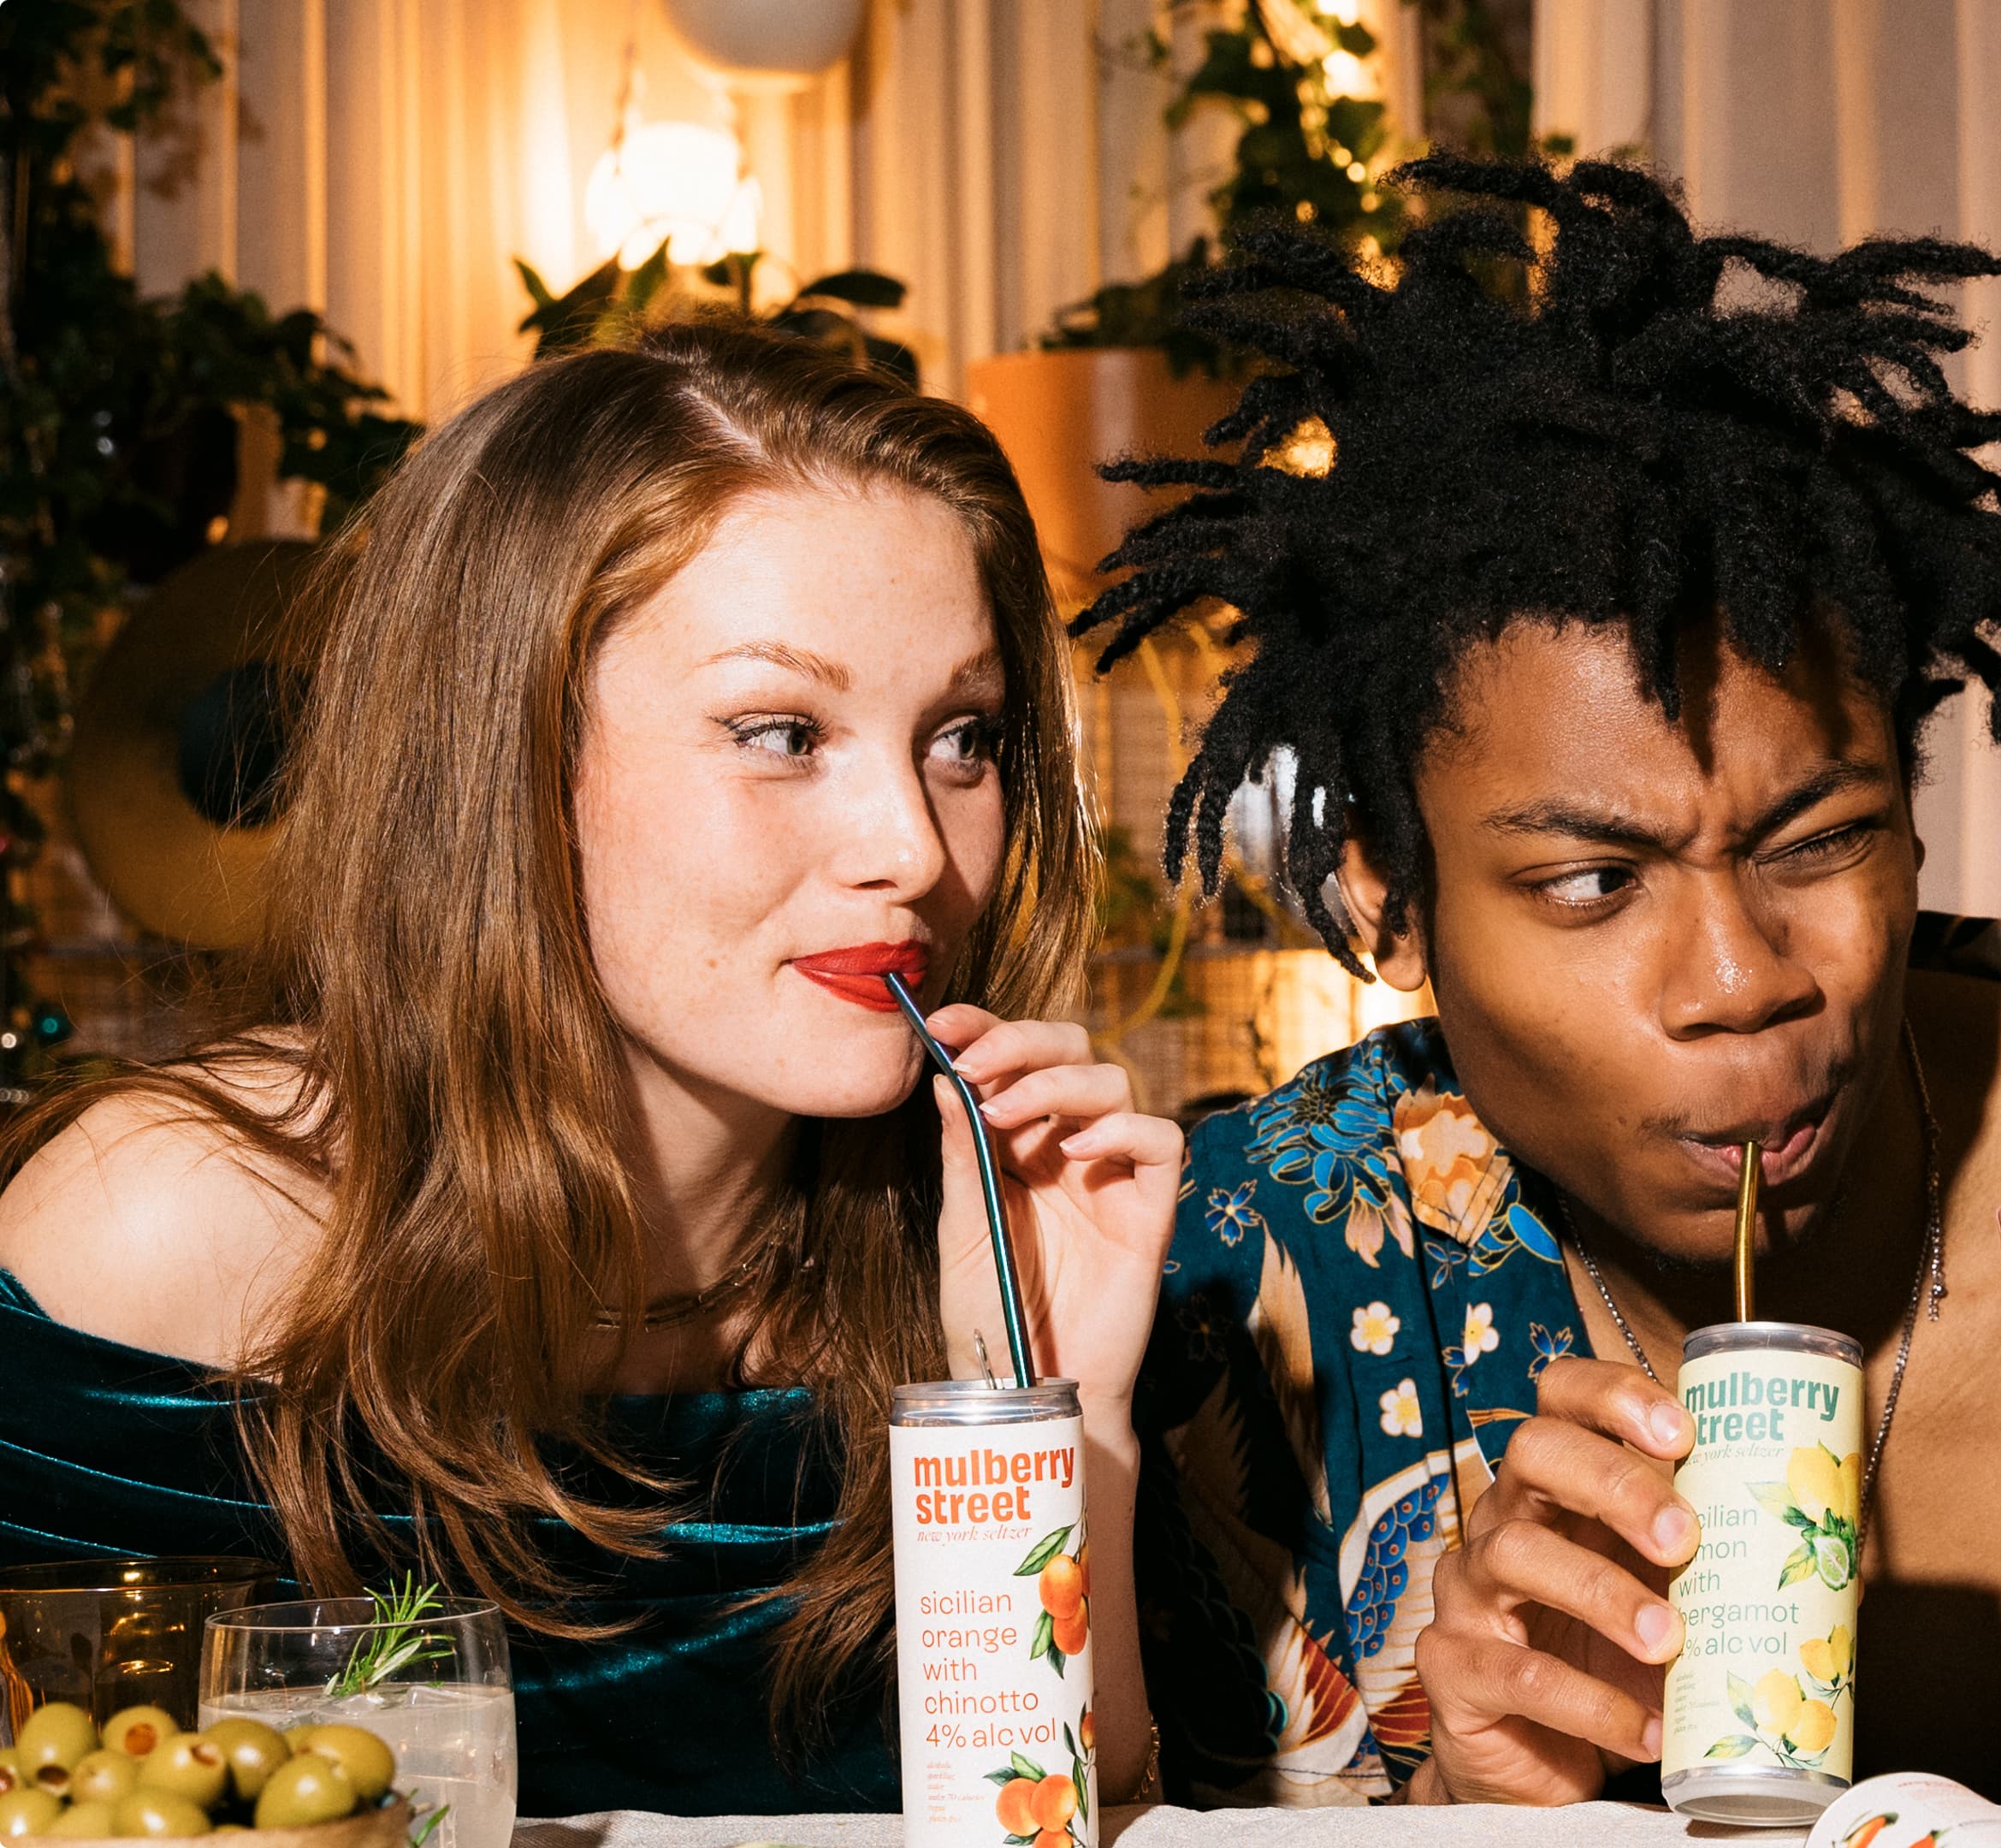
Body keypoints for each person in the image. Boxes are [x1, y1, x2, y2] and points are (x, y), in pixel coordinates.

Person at [1083, 156, 2001, 1807]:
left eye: (1817, 842)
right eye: (1593, 882)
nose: (1742, 983)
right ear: (1390, 901)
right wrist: (1458, 1816)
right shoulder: (1227, 1295)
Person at [0, 323, 1181, 1815]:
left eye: (961, 737)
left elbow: (1077, 1806)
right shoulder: (162, 1237)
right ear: (509, 757)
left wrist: (1044, 1410)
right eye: (781, 732)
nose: (913, 848)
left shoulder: (969, 1237)